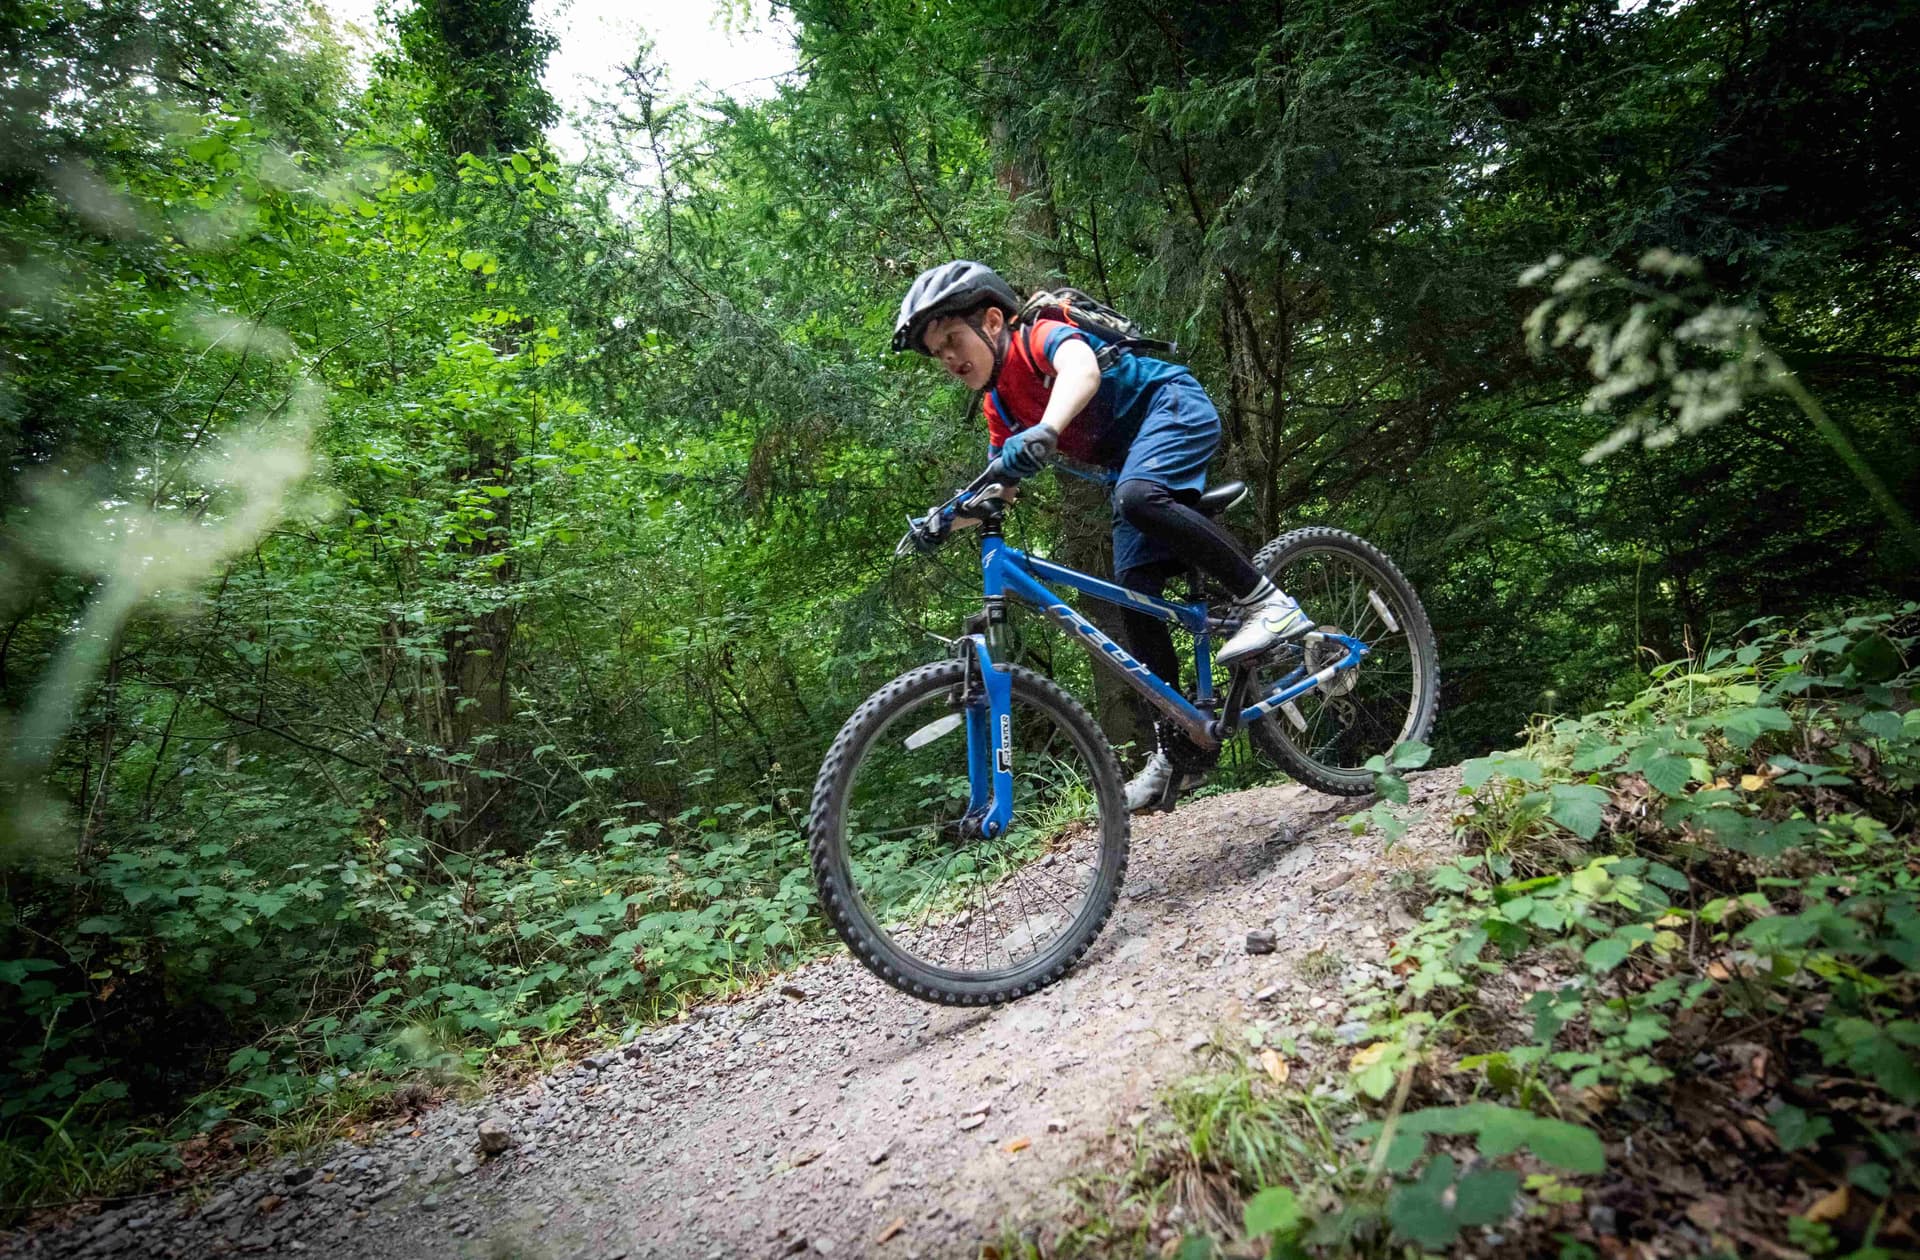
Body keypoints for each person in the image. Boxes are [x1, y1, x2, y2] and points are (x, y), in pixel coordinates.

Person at [891, 260, 1313, 812]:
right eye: (936, 351)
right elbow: (1000, 491)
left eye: (952, 339)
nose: (947, 357)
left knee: (1138, 497)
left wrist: (1047, 429)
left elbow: (1082, 371)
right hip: (1130, 464)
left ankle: (1271, 605)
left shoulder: (1035, 337)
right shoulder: (1000, 407)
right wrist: (946, 519)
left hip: (1174, 409)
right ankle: (1178, 745)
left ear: (993, 321)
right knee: (1135, 589)